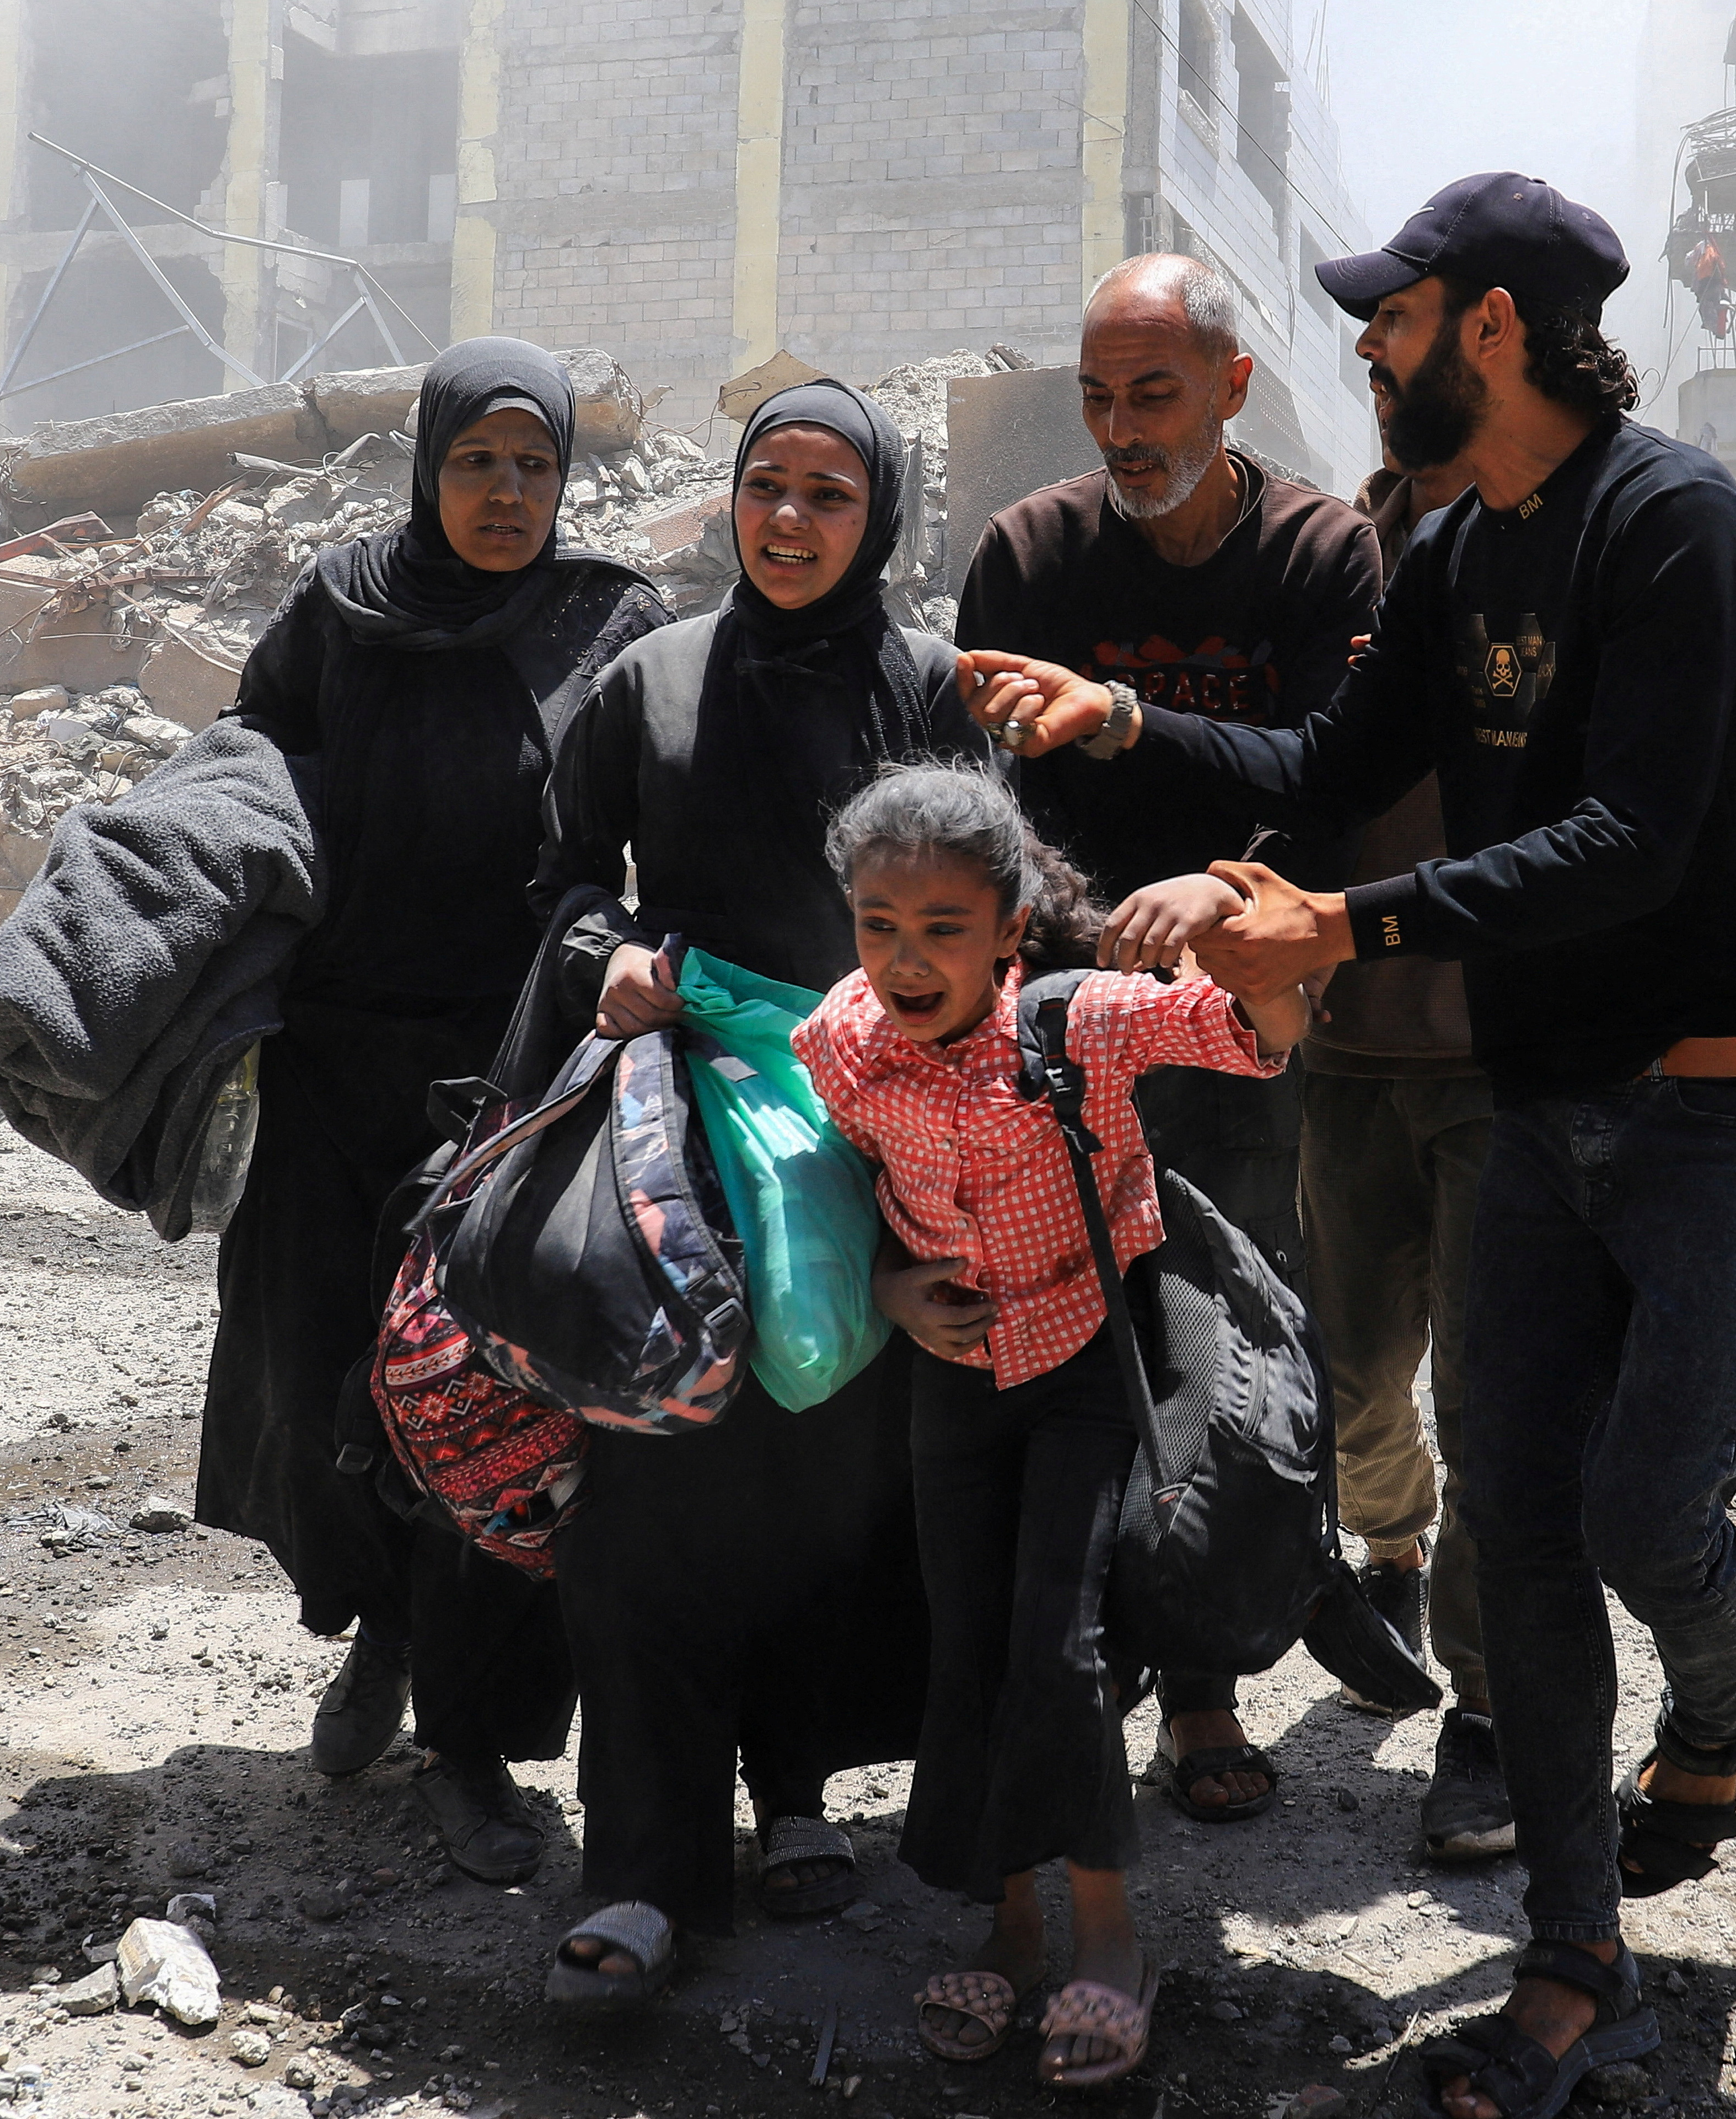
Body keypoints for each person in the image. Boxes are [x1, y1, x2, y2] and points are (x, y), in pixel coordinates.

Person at [963, 170, 1736, 2119]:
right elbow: (1315, 771)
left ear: (1496, 328)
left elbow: (1634, 834)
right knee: (1521, 1528)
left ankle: (1722, 1698)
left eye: (1395, 316)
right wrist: (1153, 767)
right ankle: (1574, 1954)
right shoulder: (1456, 554)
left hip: (1720, 1103)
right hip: (1544, 1105)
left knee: (1643, 1520)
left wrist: (1336, 924)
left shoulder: (1672, 521)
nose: (1366, 349)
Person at [530, 379, 980, 1986]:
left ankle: (795, 1792)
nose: (788, 522)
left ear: (880, 522)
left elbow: (981, 907)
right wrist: (616, 961)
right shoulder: (645, 681)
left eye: (829, 497)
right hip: (673, 1143)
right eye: (766, 488)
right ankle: (644, 1867)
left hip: (868, 1145)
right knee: (649, 1483)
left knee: (824, 1471)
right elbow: (569, 881)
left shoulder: (919, 687)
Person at [206, 339, 671, 1882]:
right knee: (321, 1360)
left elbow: (658, 817)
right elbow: (244, 766)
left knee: (494, 1393)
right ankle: (376, 1638)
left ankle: (473, 1741)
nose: (507, 491)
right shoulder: (340, 607)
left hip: (518, 1070)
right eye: (478, 461)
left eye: (534, 465)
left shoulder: (607, 621)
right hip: (334, 1057)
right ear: (428, 465)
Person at [789, 764, 1308, 2092]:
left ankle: (1111, 1934)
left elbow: (1263, 1032)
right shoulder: (842, 1039)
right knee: (965, 1640)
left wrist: (1239, 925)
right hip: (954, 1379)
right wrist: (894, 1291)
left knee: (1057, 1644)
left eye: (942, 930)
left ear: (1011, 929)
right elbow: (836, 1195)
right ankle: (1008, 1924)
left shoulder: (1079, 1025)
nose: (904, 960)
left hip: (1086, 1361)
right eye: (877, 924)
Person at [956, 251, 1381, 1823]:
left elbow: (1332, 776)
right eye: (1099, 397)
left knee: (1231, 1323)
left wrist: (1211, 875)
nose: (1124, 427)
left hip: (1239, 1013)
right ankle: (1079, 1664)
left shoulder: (1324, 555)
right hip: (1058, 1026)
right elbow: (993, 802)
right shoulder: (1030, 552)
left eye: (1153, 392)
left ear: (1230, 387)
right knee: (1063, 1331)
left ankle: (1205, 1676)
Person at [1303, 425, 1513, 1860]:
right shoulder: (1331, 562)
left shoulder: (1566, 546)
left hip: (1510, 1056)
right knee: (1358, 1362)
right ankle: (1390, 1543)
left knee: (1498, 1397)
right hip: (1348, 1047)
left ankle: (1489, 1715)